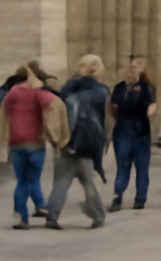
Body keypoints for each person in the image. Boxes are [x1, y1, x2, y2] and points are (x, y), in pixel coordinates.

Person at [0, 62, 68, 229]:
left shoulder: (13, 92)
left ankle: (21, 217)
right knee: (33, 178)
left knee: (21, 181)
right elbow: (54, 102)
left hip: (16, 143)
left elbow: (4, 110)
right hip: (36, 142)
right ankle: (41, 206)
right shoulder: (39, 93)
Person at [46, 55, 110, 230]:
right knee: (88, 181)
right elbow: (102, 117)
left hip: (66, 142)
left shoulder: (68, 90)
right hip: (86, 143)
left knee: (61, 182)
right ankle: (97, 215)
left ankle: (52, 216)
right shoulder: (100, 91)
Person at [108, 56, 158, 212]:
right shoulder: (123, 87)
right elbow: (111, 106)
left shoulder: (144, 88)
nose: (131, 70)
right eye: (130, 67)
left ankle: (136, 198)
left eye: (134, 68)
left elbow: (151, 108)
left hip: (135, 130)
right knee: (127, 166)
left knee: (137, 166)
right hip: (128, 129)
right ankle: (123, 197)